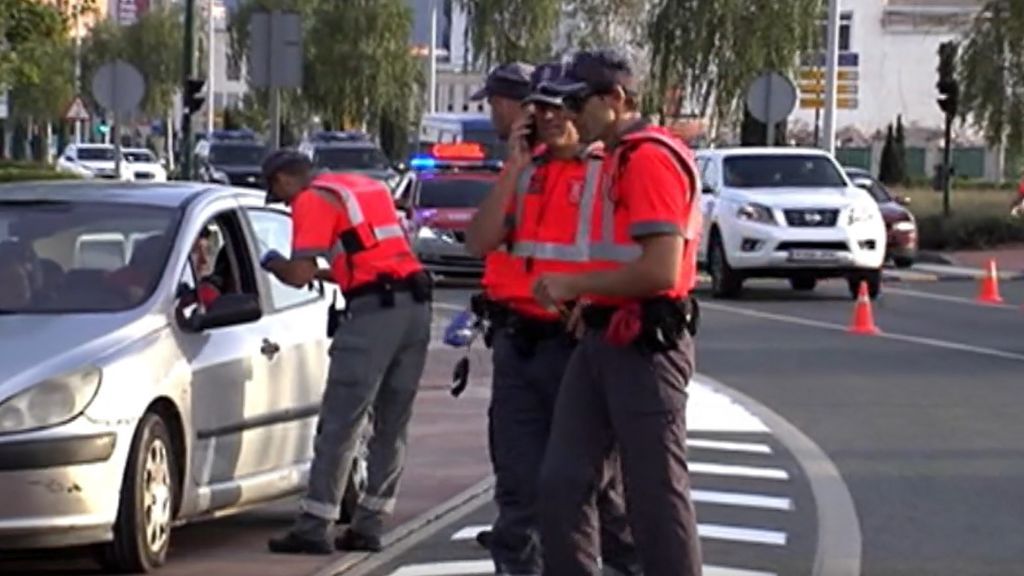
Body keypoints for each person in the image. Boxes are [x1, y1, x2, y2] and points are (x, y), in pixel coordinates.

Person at [532, 49, 704, 576]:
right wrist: (591, 299)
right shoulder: (615, 156)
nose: (568, 113)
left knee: (653, 490)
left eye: (578, 101)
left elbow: (659, 269)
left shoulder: (647, 157)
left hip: (645, 339)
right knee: (562, 481)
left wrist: (573, 284)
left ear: (615, 99)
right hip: (605, 332)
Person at [465, 62, 640, 576]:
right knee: (519, 487)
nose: (545, 118)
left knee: (595, 488)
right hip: (519, 343)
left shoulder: (608, 168)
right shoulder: (527, 170)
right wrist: (514, 167)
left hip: (580, 344)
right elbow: (480, 241)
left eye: (557, 107)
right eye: (537, 108)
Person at [261, 150, 433, 555]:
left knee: (342, 420)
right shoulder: (363, 187)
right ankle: (369, 525)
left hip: (374, 317)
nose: (285, 204)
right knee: (391, 423)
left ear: (286, 179)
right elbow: (366, 255)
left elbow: (299, 275)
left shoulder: (311, 199)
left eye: (279, 194)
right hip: (415, 308)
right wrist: (328, 272)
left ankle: (314, 526)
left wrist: (272, 262)